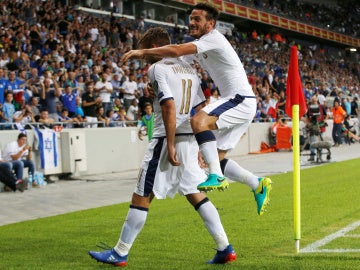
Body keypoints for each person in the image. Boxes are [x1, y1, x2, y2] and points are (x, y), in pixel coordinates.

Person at [89, 27, 236, 267]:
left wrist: (169, 144)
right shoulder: (189, 70)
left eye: (148, 49)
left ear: (156, 47)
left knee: (142, 195)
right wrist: (200, 144)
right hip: (189, 138)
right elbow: (200, 107)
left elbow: (168, 106)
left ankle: (120, 252)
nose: (145, 55)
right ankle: (225, 247)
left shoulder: (156, 68)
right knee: (195, 193)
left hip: (167, 139)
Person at [121, 3, 272, 215]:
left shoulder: (214, 39)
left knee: (198, 122)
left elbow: (175, 50)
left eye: (197, 19)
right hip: (238, 103)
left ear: (210, 24)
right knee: (205, 159)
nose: (192, 22)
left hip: (240, 99)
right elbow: (175, 61)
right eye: (191, 18)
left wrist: (142, 51)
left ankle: (217, 176)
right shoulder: (200, 45)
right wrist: (153, 84)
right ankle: (256, 184)